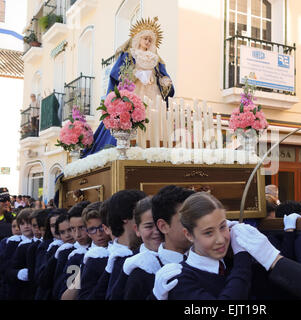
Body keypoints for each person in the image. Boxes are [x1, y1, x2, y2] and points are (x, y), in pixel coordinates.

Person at [84, 17, 174, 157]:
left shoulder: (156, 59)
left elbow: (163, 77)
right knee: (132, 117)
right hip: (134, 92)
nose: (148, 42)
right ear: (138, 38)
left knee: (153, 120)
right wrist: (134, 74)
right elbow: (117, 73)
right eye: (145, 38)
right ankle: (130, 147)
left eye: (151, 40)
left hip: (152, 93)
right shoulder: (129, 55)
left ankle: (152, 148)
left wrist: (165, 83)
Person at [167, 192, 253, 300]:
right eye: (208, 233)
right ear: (189, 235)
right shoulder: (180, 279)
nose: (220, 240)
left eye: (222, 227)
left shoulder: (230, 262)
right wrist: (242, 257)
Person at [145, 185, 195, 300]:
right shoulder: (145, 270)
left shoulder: (213, 259)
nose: (197, 225)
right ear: (163, 226)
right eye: (186, 220)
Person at [115, 197, 163, 300]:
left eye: (160, 225)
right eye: (149, 226)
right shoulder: (125, 263)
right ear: (137, 230)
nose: (157, 231)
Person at [101, 190, 146, 300]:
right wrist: (108, 271)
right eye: (140, 212)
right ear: (125, 217)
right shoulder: (99, 258)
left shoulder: (149, 254)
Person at [54, 201, 92, 299]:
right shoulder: (70, 254)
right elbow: (64, 293)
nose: (77, 234)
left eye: (81, 228)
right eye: (73, 229)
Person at [79, 200, 113, 300]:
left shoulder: (121, 250)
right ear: (87, 232)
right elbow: (68, 295)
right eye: (92, 229)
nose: (99, 234)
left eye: (101, 228)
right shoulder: (79, 256)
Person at [37, 213, 74, 299]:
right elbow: (43, 280)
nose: (67, 235)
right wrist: (55, 258)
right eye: (62, 232)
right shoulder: (56, 249)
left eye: (70, 230)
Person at [5, 208, 35, 299]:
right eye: (22, 224)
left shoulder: (41, 242)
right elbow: (6, 269)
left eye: (29, 223)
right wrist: (18, 273)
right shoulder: (13, 242)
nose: (26, 226)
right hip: (18, 290)